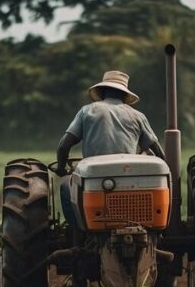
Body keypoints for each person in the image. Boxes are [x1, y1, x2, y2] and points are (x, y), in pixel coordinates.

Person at [55, 70, 165, 223]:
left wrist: (61, 168)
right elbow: (159, 153)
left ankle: (77, 234)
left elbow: (63, 146)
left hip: (94, 178)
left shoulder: (87, 111)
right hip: (131, 180)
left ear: (102, 91)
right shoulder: (137, 116)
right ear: (124, 95)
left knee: (66, 188)